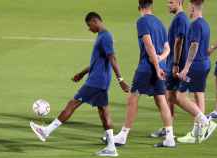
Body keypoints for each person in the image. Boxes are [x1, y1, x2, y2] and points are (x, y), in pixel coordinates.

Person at [29, 12, 129, 157]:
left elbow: (112, 58)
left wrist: (121, 80)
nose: (89, 29)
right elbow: (97, 62)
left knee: (73, 103)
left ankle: (46, 131)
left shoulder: (105, 36)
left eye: (89, 26)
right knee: (103, 112)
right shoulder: (102, 36)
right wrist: (82, 73)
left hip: (96, 81)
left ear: (95, 21)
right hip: (100, 81)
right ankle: (111, 147)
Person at [112, 0, 176, 148]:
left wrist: (155, 64)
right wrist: (160, 61)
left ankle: (123, 135)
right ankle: (170, 138)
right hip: (161, 66)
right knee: (161, 100)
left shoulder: (142, 21)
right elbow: (168, 48)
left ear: (139, 7)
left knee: (133, 97)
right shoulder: (160, 23)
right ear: (151, 7)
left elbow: (149, 45)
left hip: (147, 67)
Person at [175, 0, 217, 143]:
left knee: (179, 97)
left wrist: (186, 68)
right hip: (204, 64)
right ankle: (196, 133)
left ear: (193, 7)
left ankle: (206, 122)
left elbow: (194, 45)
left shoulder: (195, 25)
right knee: (199, 94)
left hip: (195, 66)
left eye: (189, 7)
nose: (188, 9)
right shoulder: (205, 24)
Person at [150, 0, 190, 138]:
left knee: (172, 96)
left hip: (176, 64)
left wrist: (175, 64)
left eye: (171, 2)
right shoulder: (179, 18)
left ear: (180, 2)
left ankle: (202, 119)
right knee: (170, 95)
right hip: (173, 62)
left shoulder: (181, 19)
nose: (168, 5)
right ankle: (168, 127)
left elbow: (179, 42)